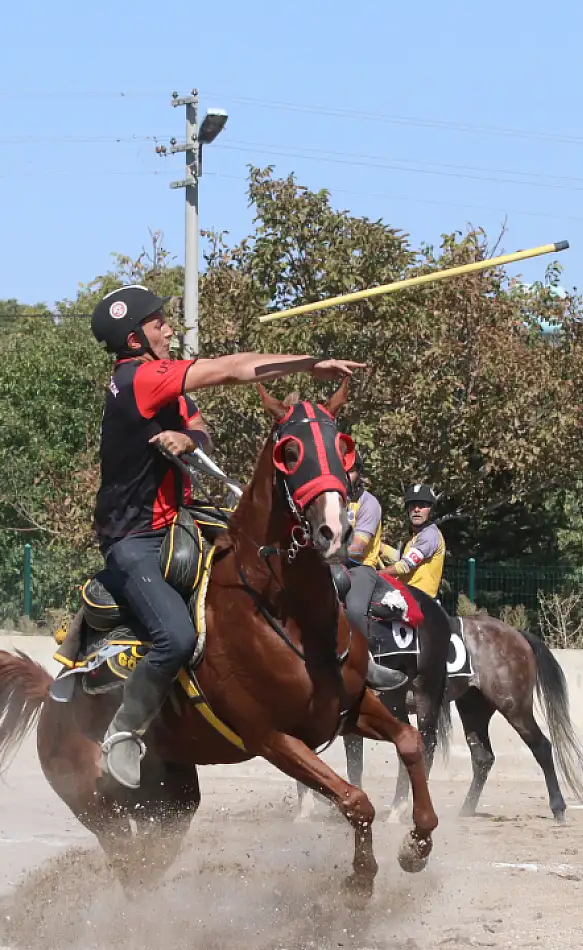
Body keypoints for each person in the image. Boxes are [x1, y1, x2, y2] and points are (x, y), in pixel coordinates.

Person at [89, 283, 406, 789]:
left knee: (289, 560)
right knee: (176, 638)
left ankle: (351, 664)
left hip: (181, 520)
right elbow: (233, 368)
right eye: (157, 324)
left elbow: (202, 432)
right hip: (136, 540)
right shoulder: (142, 377)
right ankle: (124, 732)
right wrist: (310, 365)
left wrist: (188, 438)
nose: (169, 329)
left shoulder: (165, 385)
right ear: (134, 340)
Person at [386, 483, 446, 598]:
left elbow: (404, 567)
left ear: (431, 510)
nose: (416, 509)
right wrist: (380, 547)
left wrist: (375, 575)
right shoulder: (415, 535)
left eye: (422, 505)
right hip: (409, 597)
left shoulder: (429, 535)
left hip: (421, 602)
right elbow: (401, 558)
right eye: (412, 505)